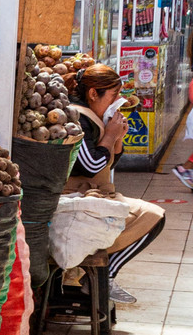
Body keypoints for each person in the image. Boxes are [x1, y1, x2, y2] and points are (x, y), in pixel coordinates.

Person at [62, 64, 166, 304]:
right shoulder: (77, 118)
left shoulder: (94, 117)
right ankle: (102, 277)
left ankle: (102, 276)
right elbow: (90, 165)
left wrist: (117, 137)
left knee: (154, 217)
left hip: (91, 196)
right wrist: (109, 135)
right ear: (93, 94)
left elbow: (108, 163)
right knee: (152, 217)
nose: (119, 101)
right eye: (114, 95)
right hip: (73, 200)